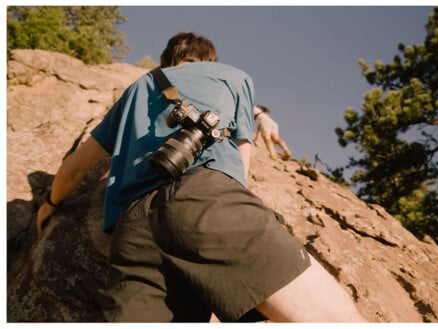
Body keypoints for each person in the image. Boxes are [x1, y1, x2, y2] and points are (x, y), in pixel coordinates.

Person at [35, 31, 366, 323]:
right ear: (210, 59)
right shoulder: (232, 77)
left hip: (131, 230)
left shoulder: (138, 87)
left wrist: (49, 204)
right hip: (205, 199)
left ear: (168, 60)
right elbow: (242, 157)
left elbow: (73, 169)